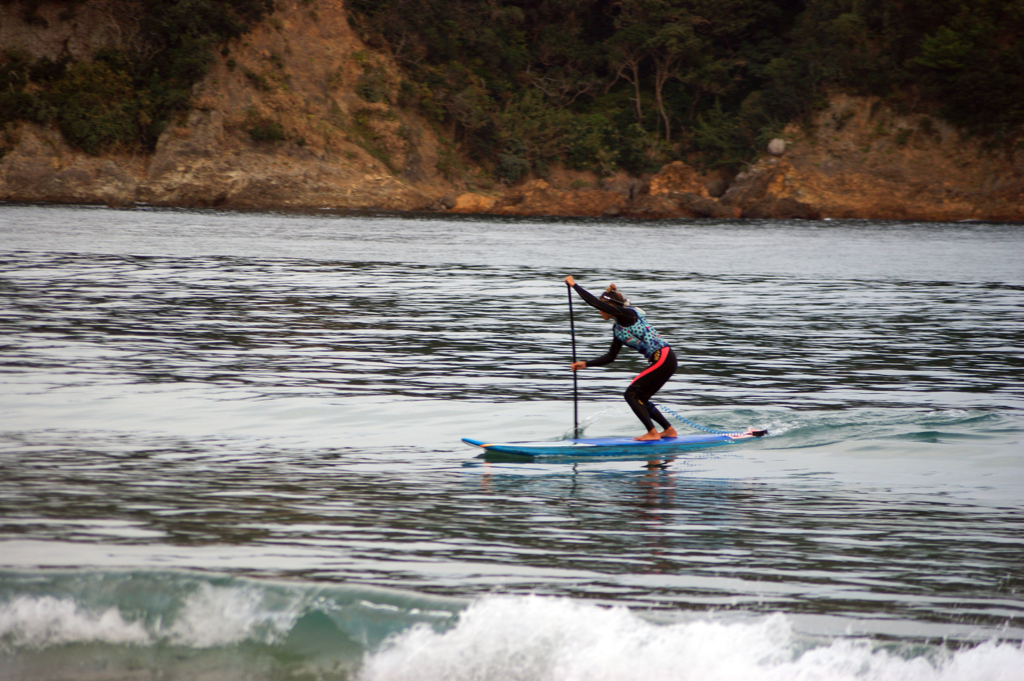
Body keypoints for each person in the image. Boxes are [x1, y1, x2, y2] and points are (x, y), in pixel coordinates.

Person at [564, 275, 678, 441]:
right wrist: (586, 364)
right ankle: (668, 430)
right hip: (663, 360)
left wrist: (575, 286)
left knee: (631, 394)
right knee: (641, 398)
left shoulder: (628, 314)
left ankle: (653, 433)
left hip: (663, 356)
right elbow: (611, 357)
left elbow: (595, 302)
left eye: (602, 307)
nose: (599, 310)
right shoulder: (618, 329)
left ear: (610, 306)